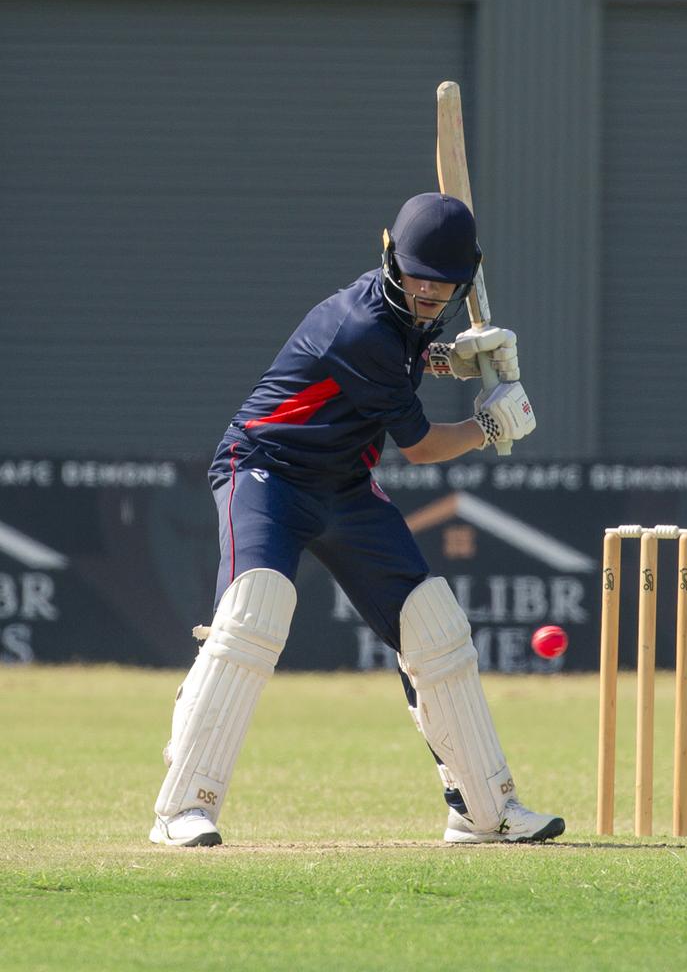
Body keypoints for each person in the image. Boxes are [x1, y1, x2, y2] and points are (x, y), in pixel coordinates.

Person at [149, 192, 566, 848]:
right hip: (266, 471)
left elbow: (406, 357)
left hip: (343, 483)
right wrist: (490, 424)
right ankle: (182, 808)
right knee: (255, 611)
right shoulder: (358, 323)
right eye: (418, 280)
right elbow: (424, 446)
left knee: (432, 624)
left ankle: (483, 810)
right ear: (388, 256)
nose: (428, 296)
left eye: (443, 285)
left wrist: (456, 358)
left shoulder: (409, 315)